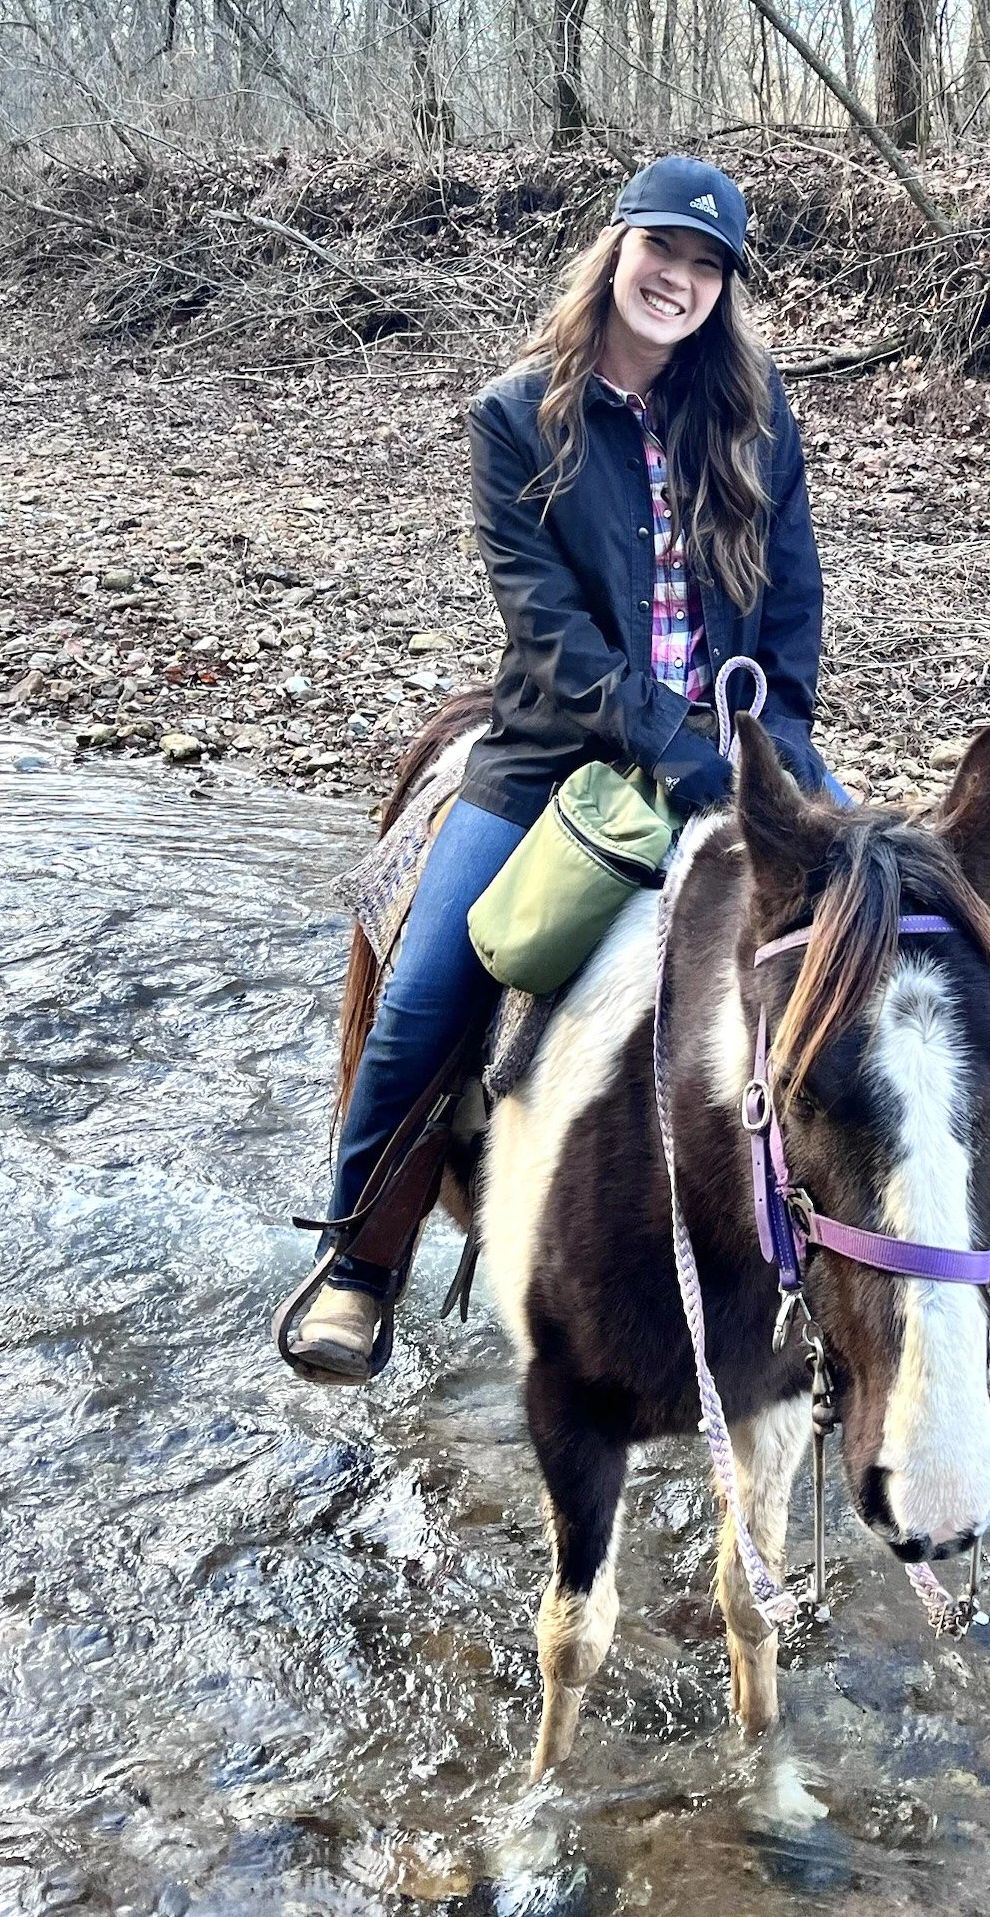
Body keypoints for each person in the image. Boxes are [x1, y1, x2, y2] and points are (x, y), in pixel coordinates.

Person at [287, 153, 831, 1383]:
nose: (677, 279)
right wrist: (674, 754)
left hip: (743, 752)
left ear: (725, 288)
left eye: (706, 266)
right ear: (616, 250)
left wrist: (779, 747)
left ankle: (943, 1241)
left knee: (909, 937)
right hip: (553, 754)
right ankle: (358, 1266)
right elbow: (549, 629)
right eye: (661, 250)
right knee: (426, 995)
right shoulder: (516, 416)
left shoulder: (755, 413)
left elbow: (795, 595)